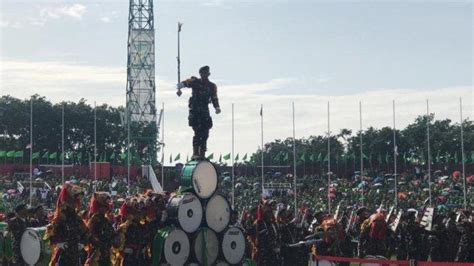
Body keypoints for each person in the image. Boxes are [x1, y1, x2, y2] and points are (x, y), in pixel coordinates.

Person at [177, 65, 221, 159]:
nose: (204, 75)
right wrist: (181, 85)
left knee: (205, 133)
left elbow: (214, 97)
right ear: (200, 74)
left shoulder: (212, 86)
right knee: (197, 133)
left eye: (206, 73)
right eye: (202, 73)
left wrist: (217, 107)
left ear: (208, 74)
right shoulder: (195, 82)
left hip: (205, 112)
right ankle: (196, 153)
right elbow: (187, 82)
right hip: (195, 112)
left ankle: (202, 153)